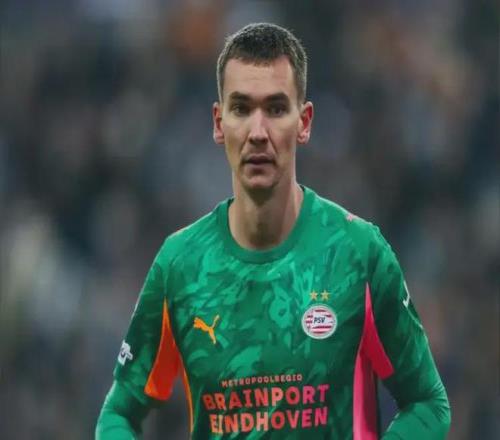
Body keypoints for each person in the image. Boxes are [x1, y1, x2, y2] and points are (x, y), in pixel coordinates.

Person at [96, 23, 451, 439]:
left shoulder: (359, 253)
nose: (258, 132)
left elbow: (428, 403)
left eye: (276, 109)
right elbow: (118, 413)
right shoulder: (180, 265)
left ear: (304, 122)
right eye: (241, 109)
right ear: (219, 123)